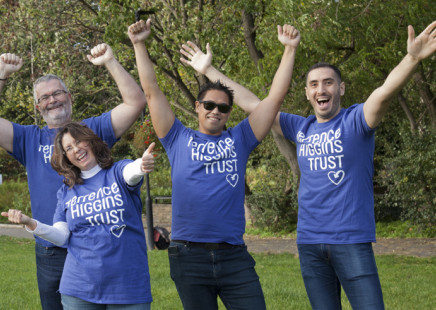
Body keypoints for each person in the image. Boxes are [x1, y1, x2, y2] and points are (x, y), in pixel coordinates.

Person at [184, 19, 436, 310]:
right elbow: (254, 105)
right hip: (310, 244)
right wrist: (207, 71)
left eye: (328, 82)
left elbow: (384, 92)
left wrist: (412, 58)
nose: (321, 89)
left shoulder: (356, 121)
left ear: (340, 88)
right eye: (314, 84)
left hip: (350, 241)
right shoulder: (299, 127)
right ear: (307, 93)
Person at [129, 19, 300, 309]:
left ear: (229, 113)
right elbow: (151, 91)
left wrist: (290, 50)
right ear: (197, 107)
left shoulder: (241, 138)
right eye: (209, 105)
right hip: (188, 257)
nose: (215, 111)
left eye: (223, 108)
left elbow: (274, 98)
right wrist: (139, 44)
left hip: (234, 256)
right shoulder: (176, 137)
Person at [0, 43, 146, 309]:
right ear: (37, 106)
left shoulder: (92, 131)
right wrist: (0, 73)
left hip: (100, 247)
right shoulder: (28, 139)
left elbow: (135, 102)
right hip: (52, 250)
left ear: (69, 97)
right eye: (44, 97)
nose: (52, 99)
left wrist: (110, 61)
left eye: (57, 93)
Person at [2, 122, 155, 309]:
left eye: (78, 141)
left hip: (127, 286)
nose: (76, 150)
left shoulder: (117, 172)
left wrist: (141, 164)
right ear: (66, 157)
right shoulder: (67, 191)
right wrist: (31, 223)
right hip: (79, 288)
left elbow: (130, 173)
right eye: (68, 148)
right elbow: (61, 235)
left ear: (90, 141)